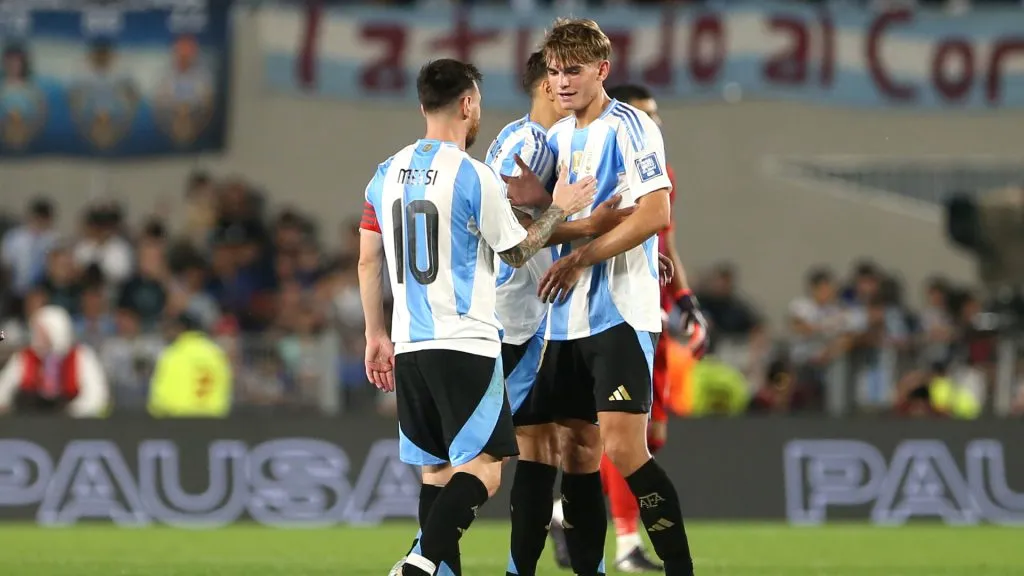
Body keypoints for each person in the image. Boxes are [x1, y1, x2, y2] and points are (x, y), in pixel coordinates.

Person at [357, 58, 595, 576]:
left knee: (436, 474)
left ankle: (436, 570)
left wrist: (376, 334)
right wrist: (560, 206)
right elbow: (516, 251)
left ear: (423, 105)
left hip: (410, 346)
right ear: (468, 104)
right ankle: (419, 561)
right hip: (465, 341)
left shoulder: (384, 174)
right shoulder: (472, 174)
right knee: (485, 472)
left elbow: (368, 258)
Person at [531, 19, 698, 576]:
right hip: (564, 321)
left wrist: (583, 256)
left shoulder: (633, 127)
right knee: (576, 454)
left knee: (625, 450)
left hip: (620, 314)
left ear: (602, 70)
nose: (561, 83)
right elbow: (543, 231)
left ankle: (679, 568)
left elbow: (656, 213)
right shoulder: (555, 137)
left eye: (572, 71)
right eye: (554, 72)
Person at [489, 52, 636, 576]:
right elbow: (510, 245)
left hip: (557, 317)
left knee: (572, 448)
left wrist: (623, 240)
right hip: (518, 320)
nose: (570, 86)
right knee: (534, 450)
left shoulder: (556, 142)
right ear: (549, 86)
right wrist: (584, 221)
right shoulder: (528, 144)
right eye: (561, 76)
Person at [0, 305, 109, 417]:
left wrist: (68, 414)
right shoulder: (24, 357)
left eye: (43, 332)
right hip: (29, 422)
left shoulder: (82, 357)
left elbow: (96, 397)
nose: (37, 337)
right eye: (36, 331)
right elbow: (3, 391)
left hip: (73, 424)